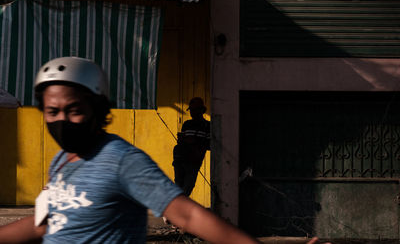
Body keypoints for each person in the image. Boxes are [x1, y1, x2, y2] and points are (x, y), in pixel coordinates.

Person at [0, 57, 326, 244]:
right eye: (52, 111)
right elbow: (43, 223)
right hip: (183, 158)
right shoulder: (61, 162)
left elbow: (188, 214)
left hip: (190, 160)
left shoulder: (120, 159)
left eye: (74, 110)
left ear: (98, 109)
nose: (62, 121)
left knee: (180, 193)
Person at [173, 97, 210, 196]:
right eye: (191, 110)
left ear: (202, 111)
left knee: (187, 188)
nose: (192, 113)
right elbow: (180, 142)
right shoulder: (187, 124)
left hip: (194, 162)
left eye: (194, 110)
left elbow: (210, 145)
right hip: (181, 160)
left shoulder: (207, 126)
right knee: (178, 187)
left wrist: (194, 142)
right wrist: (182, 139)